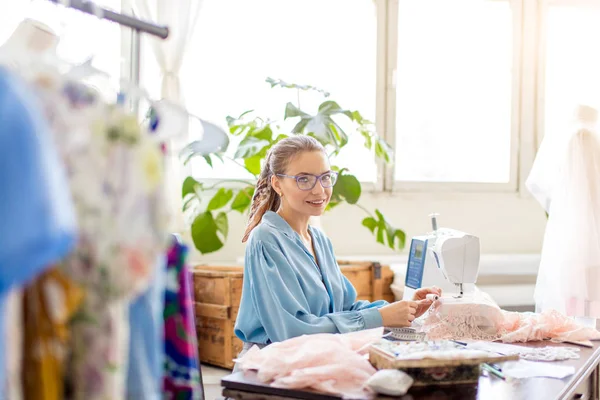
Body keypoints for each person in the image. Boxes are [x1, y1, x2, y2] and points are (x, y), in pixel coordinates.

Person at [233, 136, 441, 354]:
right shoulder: (266, 239)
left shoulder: (319, 241)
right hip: (274, 363)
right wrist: (379, 318)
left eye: (325, 177)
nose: (319, 190)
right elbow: (291, 332)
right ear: (277, 184)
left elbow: (344, 309)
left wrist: (404, 308)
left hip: (321, 353)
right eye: (304, 180)